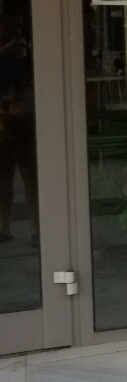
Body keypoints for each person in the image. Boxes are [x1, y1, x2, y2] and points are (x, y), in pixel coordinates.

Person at [0, 15, 39, 245]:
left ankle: (38, 227)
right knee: (4, 177)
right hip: (5, 117)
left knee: (30, 175)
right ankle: (4, 227)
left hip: (24, 116)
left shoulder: (29, 52)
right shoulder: (6, 53)